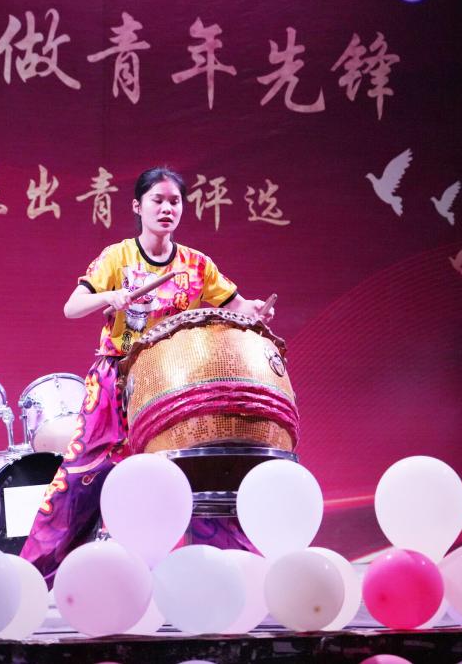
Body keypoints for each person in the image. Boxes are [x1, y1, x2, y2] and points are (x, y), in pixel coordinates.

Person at [20, 167, 274, 584]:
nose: (167, 208)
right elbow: (72, 307)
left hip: (173, 382)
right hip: (116, 380)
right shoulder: (117, 257)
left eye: (175, 201)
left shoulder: (197, 264)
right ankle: (34, 574)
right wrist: (110, 295)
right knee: (82, 472)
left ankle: (225, 576)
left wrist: (256, 309)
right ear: (138, 207)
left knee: (194, 467)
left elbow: (237, 306)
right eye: (158, 200)